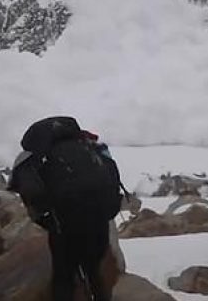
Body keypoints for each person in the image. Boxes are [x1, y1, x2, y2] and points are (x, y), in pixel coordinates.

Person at [7, 117, 123, 301]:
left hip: (66, 218)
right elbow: (112, 177)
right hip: (99, 213)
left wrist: (46, 219)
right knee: (93, 267)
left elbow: (27, 190)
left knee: (64, 273)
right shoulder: (90, 147)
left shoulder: (34, 155)